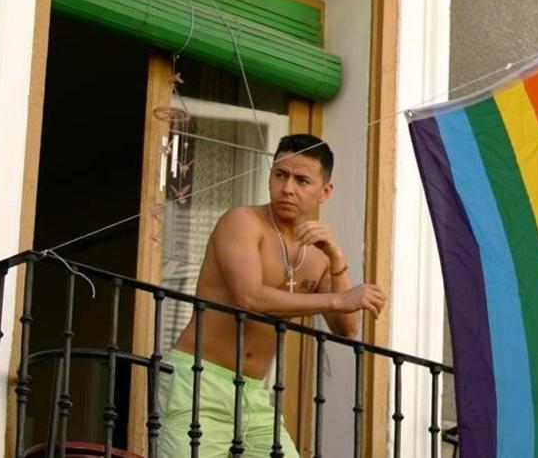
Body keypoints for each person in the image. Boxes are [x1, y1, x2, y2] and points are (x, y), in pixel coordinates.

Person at [158, 134, 387, 457]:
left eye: (302, 180)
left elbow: (347, 329)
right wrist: (338, 299)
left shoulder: (319, 256)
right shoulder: (242, 221)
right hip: (199, 381)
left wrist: (336, 259)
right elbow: (249, 298)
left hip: (253, 395)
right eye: (280, 175)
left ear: (325, 192)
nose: (288, 188)